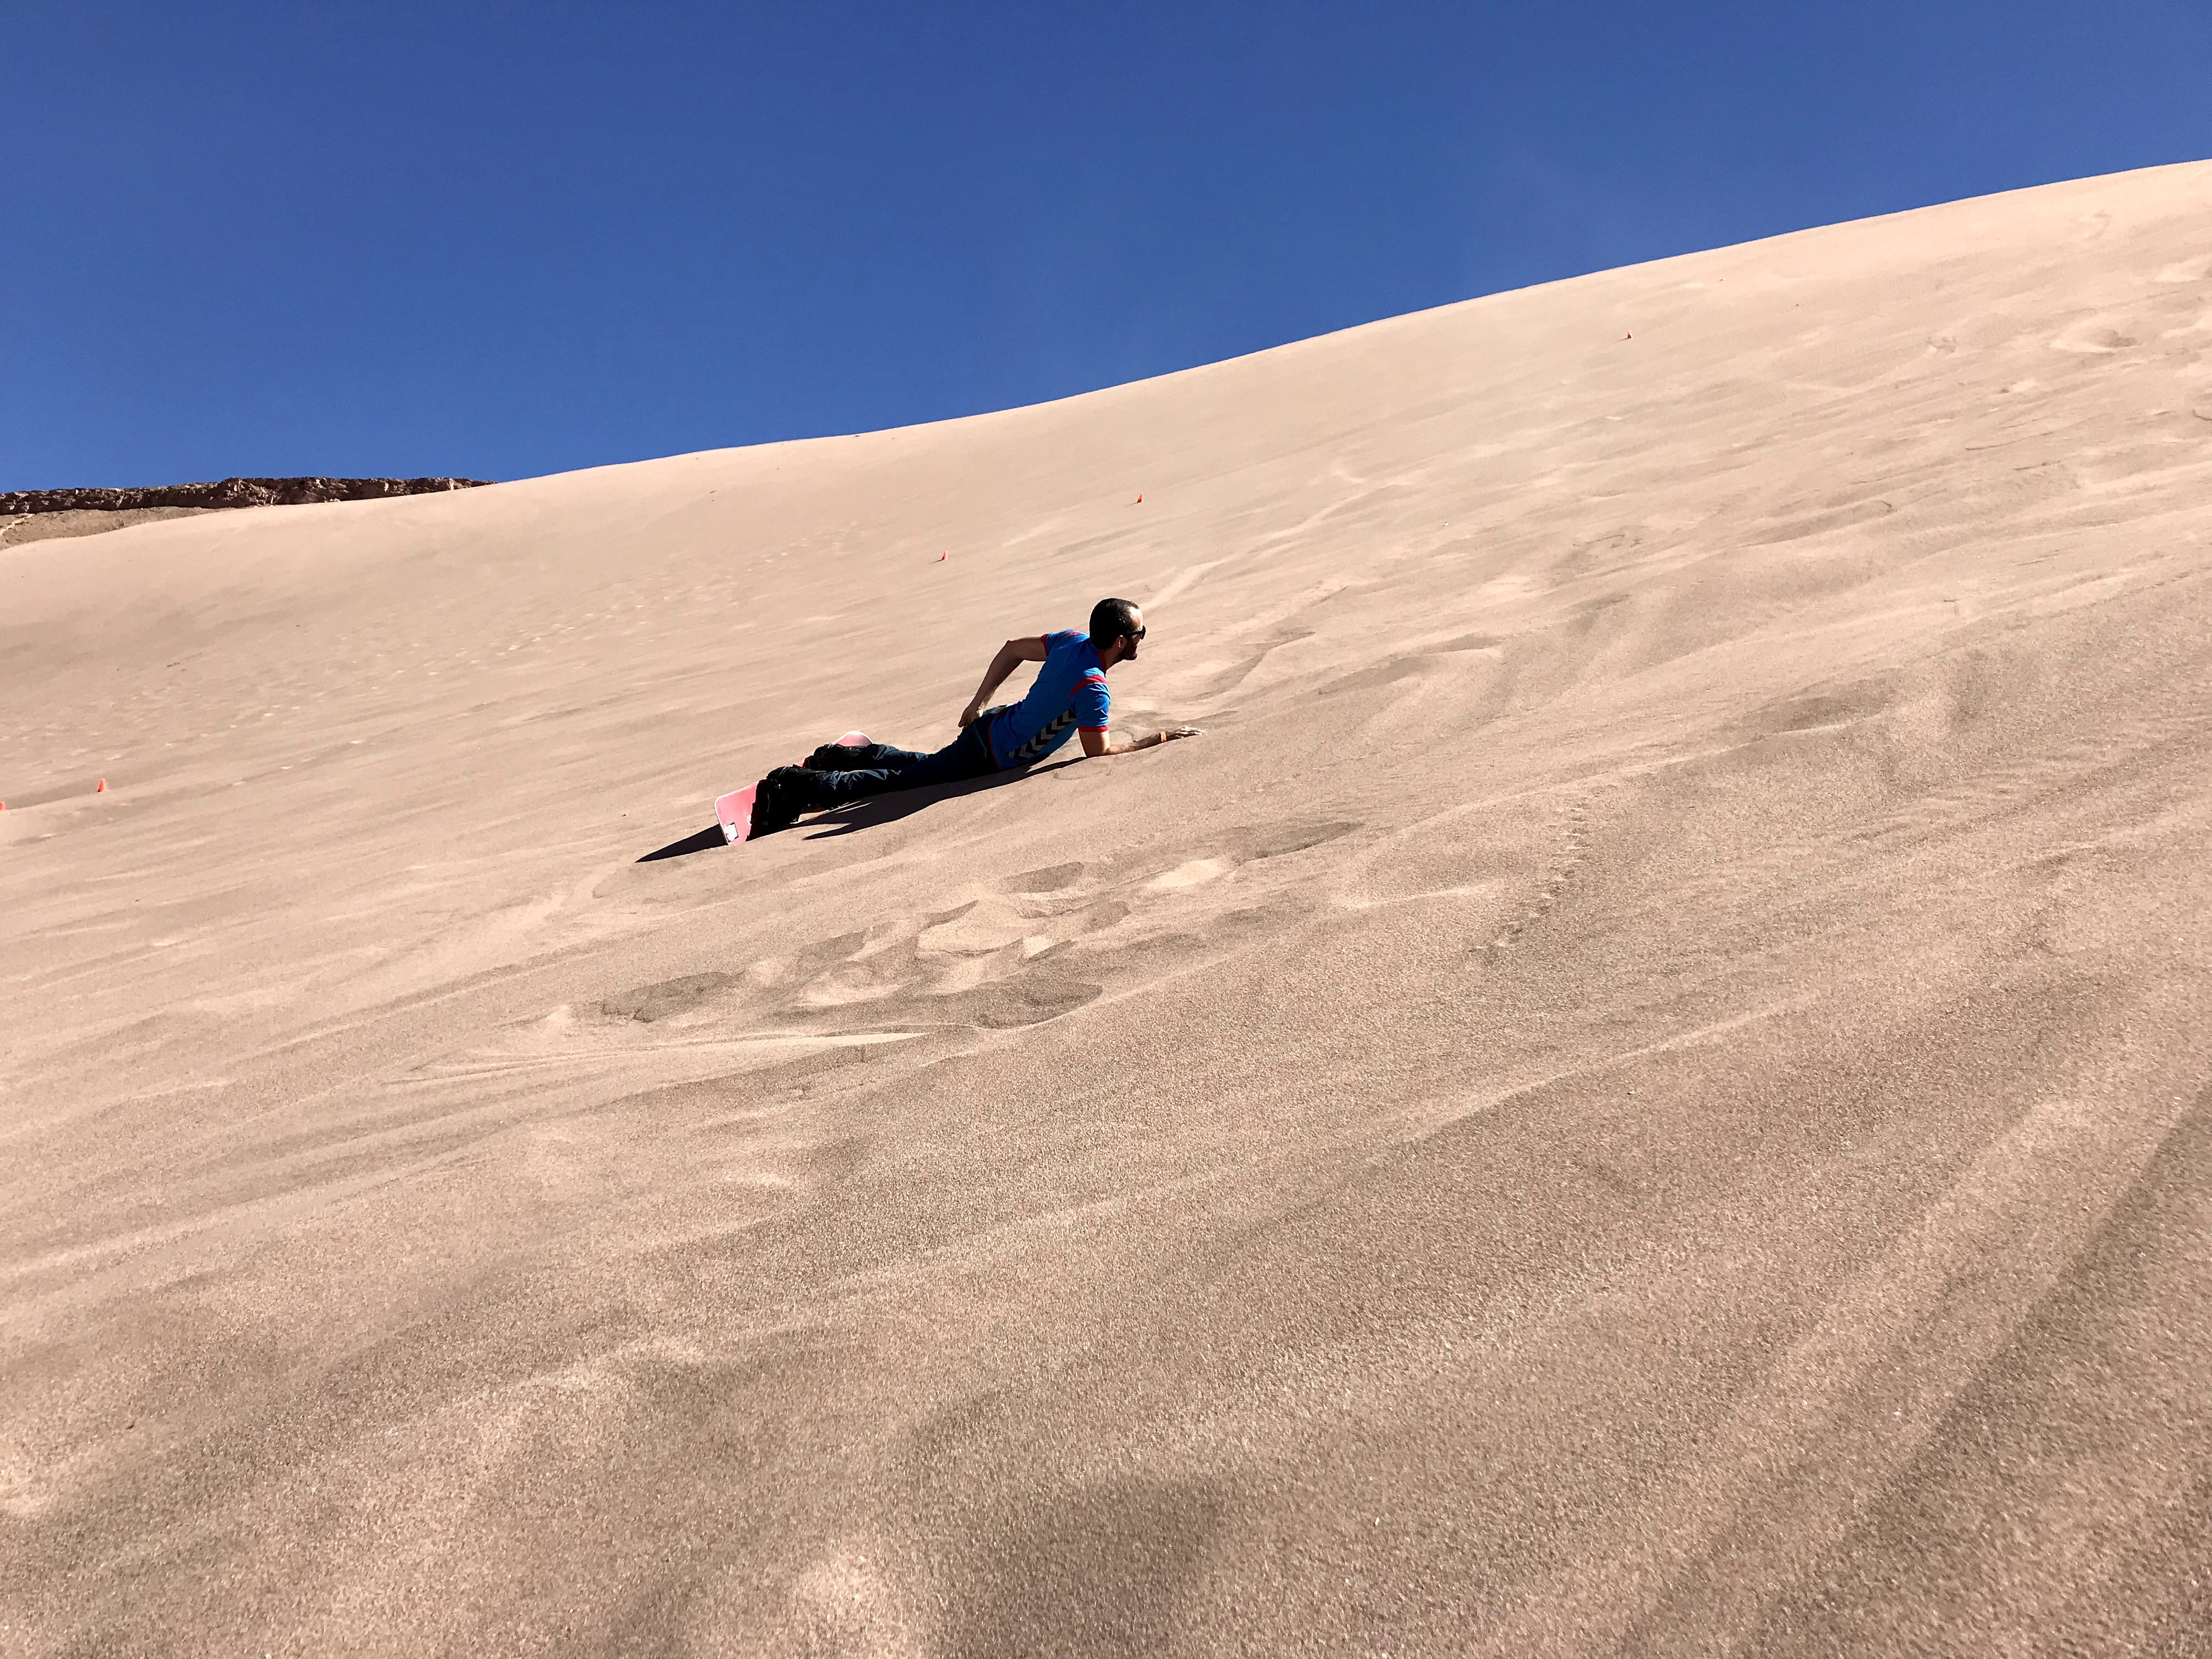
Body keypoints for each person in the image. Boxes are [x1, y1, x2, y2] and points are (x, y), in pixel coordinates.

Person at [748, 596, 1200, 836]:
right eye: (1141, 633)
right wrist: (1156, 739)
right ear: (1121, 641)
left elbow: (1011, 649)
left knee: (923, 766)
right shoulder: (1094, 689)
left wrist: (979, 702)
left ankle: (840, 756)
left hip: (991, 728)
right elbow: (1098, 752)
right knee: (904, 781)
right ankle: (796, 788)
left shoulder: (1069, 639)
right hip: (993, 754)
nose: (1144, 638)